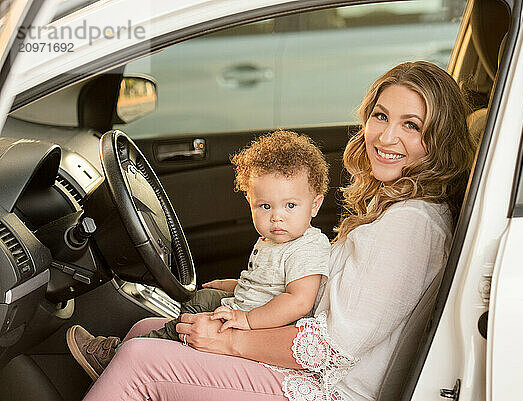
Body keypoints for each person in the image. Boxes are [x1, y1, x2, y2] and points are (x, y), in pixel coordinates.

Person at [80, 61, 477, 401]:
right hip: (313, 364)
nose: (387, 137)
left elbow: (330, 348)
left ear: (439, 141)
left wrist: (231, 341)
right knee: (144, 330)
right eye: (380, 116)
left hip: (329, 388)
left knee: (139, 361)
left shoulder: (411, 226)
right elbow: (329, 297)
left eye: (411, 125)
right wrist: (238, 293)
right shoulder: (398, 207)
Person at [66, 130, 331, 381]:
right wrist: (233, 285)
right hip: (245, 308)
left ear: (315, 205)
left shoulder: (308, 247)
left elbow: (298, 301)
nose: (276, 216)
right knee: (202, 297)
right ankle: (167, 340)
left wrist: (247, 320)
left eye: (291, 205)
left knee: (190, 321)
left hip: (262, 328)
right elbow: (268, 283)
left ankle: (119, 358)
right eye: (264, 206)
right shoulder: (272, 239)